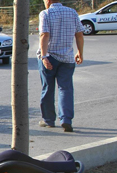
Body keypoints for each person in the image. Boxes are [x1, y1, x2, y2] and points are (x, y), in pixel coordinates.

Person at [37, 0, 84, 133]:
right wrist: (80, 53)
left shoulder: (45, 13)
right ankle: (66, 120)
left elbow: (44, 35)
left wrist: (44, 56)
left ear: (49, 0)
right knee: (66, 88)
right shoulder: (72, 12)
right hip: (67, 58)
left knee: (48, 88)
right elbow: (79, 34)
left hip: (50, 56)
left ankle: (48, 120)